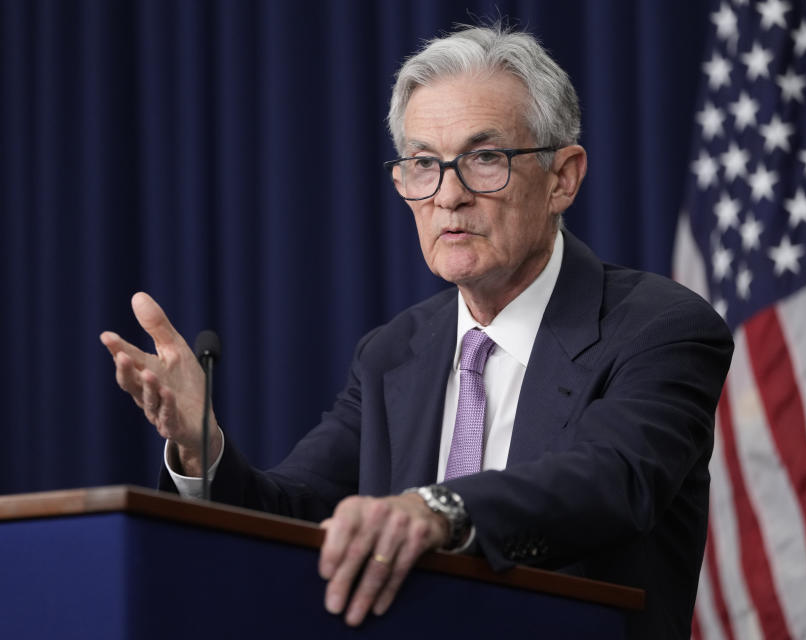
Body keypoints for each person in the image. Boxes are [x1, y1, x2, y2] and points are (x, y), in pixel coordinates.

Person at [101, 24, 732, 639]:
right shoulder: (393, 353)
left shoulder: (660, 327)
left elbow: (609, 480)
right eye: (423, 164)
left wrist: (438, 512)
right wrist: (200, 448)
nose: (448, 195)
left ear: (562, 178)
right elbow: (291, 516)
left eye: (485, 159)